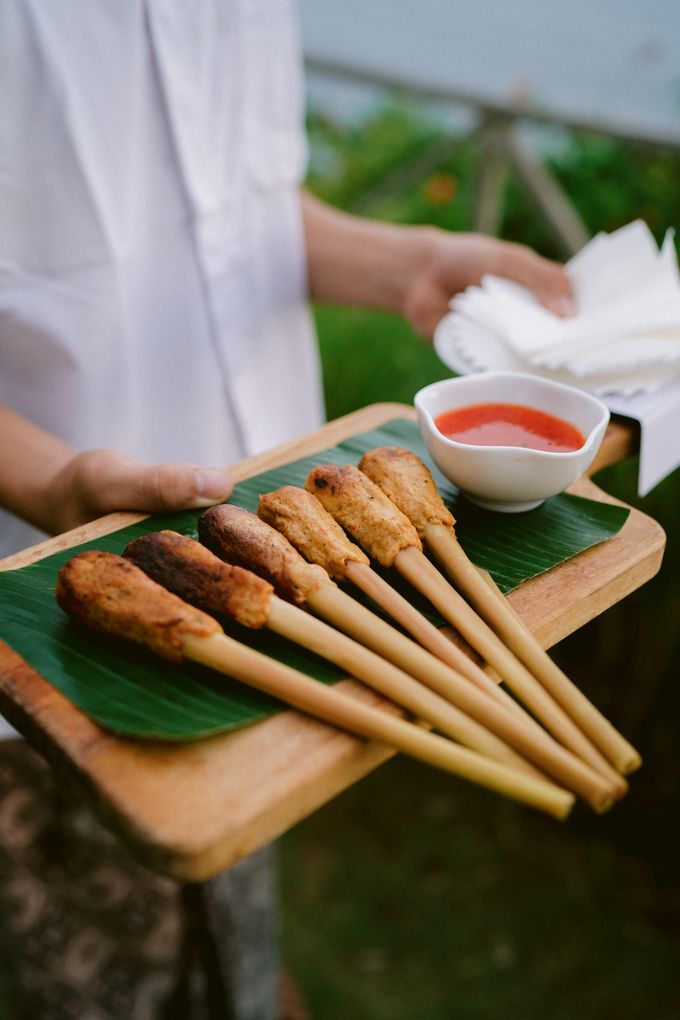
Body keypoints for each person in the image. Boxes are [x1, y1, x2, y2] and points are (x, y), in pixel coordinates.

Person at [0, 2, 573, 1017]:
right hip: (45, 629)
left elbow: (232, 209)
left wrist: (406, 262)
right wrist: (50, 481)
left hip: (279, 577)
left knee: (237, 940)